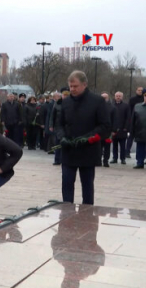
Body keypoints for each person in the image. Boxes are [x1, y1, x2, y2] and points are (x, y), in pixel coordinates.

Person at [60, 70, 110, 205]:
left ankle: (88, 214)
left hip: (88, 150)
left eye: (75, 86)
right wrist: (62, 137)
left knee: (87, 186)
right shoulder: (65, 102)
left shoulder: (97, 101)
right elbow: (59, 124)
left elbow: (105, 126)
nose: (72, 89)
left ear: (84, 85)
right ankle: (66, 212)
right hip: (69, 150)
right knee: (67, 184)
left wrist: (88, 138)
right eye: (70, 86)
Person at [110, 91, 130, 165]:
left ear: (122, 97)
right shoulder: (112, 105)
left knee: (122, 145)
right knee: (114, 145)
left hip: (123, 129)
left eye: (119, 96)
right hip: (114, 129)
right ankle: (115, 158)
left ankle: (123, 159)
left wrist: (126, 127)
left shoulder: (126, 106)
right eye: (117, 96)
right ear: (114, 97)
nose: (118, 97)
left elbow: (128, 117)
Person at [49, 88, 68, 165]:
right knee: (58, 143)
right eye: (64, 95)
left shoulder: (72, 103)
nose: (65, 97)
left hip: (68, 127)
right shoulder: (57, 104)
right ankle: (57, 159)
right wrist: (51, 125)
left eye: (66, 95)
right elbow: (52, 116)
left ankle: (65, 159)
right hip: (58, 126)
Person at [126, 87, 144, 158]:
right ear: (136, 91)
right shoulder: (132, 99)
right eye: (139, 90)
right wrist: (130, 119)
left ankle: (144, 154)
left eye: (141, 91)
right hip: (133, 120)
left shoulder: (144, 99)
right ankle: (127, 152)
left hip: (142, 121)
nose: (140, 91)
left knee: (142, 138)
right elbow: (129, 110)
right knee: (130, 137)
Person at [100, 92, 115, 167]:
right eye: (102, 97)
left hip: (108, 130)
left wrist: (113, 130)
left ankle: (105, 160)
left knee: (107, 147)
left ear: (108, 98)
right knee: (98, 146)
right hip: (99, 130)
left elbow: (115, 119)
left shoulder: (112, 107)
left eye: (105, 97)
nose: (104, 99)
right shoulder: (96, 106)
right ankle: (98, 160)